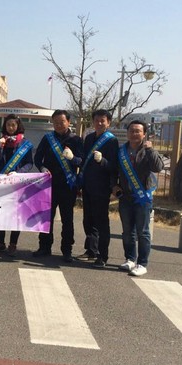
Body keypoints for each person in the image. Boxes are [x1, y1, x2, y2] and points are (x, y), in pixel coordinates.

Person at [114, 120, 164, 277]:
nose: (134, 134)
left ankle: (142, 263)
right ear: (127, 133)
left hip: (143, 198)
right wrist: (113, 186)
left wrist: (150, 150)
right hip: (125, 197)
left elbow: (158, 167)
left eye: (138, 131)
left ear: (144, 134)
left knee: (143, 232)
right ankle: (130, 259)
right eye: (132, 131)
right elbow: (113, 171)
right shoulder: (122, 151)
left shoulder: (147, 150)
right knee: (127, 232)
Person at [33, 109, 84, 262]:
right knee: (46, 218)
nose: (59, 125)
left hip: (68, 186)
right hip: (48, 185)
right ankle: (44, 247)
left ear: (68, 122)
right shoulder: (47, 138)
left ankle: (67, 250)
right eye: (55, 123)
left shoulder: (76, 140)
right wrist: (42, 168)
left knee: (67, 220)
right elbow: (38, 158)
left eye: (62, 122)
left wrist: (73, 158)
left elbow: (82, 161)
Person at [77, 109, 119, 268]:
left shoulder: (111, 141)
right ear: (93, 122)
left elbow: (114, 166)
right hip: (87, 185)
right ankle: (91, 250)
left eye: (103, 120)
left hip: (101, 188)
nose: (99, 123)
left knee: (101, 222)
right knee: (88, 220)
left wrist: (102, 161)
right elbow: (83, 162)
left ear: (108, 122)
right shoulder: (88, 138)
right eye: (96, 120)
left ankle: (103, 255)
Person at [0, 114, 34, 256]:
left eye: (13, 125)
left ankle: (13, 243)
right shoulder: (1, 141)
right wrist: (0, 147)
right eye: (8, 125)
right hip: (2, 182)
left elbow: (30, 163)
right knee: (1, 213)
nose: (11, 127)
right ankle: (0, 242)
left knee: (16, 214)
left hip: (18, 183)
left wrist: (19, 172)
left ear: (18, 126)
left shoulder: (25, 143)